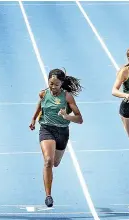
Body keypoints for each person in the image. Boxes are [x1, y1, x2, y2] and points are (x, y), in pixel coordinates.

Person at [29, 68, 83, 208]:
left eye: (56, 84)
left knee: (55, 163)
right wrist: (33, 119)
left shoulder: (67, 97)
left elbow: (80, 119)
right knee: (48, 161)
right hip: (46, 129)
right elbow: (40, 105)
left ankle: (52, 169)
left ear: (62, 84)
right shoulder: (43, 93)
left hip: (62, 132)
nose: (53, 87)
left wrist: (66, 116)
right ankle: (48, 196)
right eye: (51, 83)